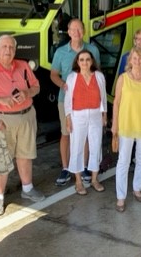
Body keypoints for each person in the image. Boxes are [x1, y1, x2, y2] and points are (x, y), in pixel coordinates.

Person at [0, 35, 42, 216]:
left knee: (25, 154)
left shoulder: (23, 66)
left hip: (26, 116)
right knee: (1, 158)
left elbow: (36, 87)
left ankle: (28, 188)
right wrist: (1, 100)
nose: (8, 50)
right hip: (2, 120)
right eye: (4, 47)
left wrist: (26, 93)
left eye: (11, 47)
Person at [50, 19, 101, 186]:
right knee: (66, 133)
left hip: (87, 102)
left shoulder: (92, 50)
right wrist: (64, 85)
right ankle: (66, 168)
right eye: (73, 29)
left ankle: (84, 166)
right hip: (66, 100)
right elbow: (54, 74)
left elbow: (97, 74)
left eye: (79, 29)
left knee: (85, 136)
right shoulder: (60, 51)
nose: (76, 32)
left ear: (84, 31)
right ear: (69, 31)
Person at [112, 48, 141, 212]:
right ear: (129, 60)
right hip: (126, 125)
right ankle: (120, 197)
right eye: (134, 58)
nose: (137, 61)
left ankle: (137, 188)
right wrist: (114, 125)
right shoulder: (123, 79)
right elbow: (116, 102)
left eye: (140, 58)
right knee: (123, 161)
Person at [64, 50, 107, 195]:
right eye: (81, 60)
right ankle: (78, 181)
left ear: (92, 61)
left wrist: (104, 115)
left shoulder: (99, 76)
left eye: (87, 59)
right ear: (77, 62)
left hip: (95, 114)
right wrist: (68, 118)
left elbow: (103, 98)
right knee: (77, 147)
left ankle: (94, 179)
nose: (84, 62)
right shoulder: (72, 77)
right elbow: (68, 100)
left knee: (96, 146)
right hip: (78, 116)